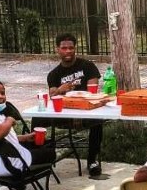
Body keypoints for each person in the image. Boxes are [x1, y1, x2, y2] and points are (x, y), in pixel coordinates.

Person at [40, 33, 106, 179]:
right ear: (58, 49)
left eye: (71, 48)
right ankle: (39, 157)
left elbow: (92, 93)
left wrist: (79, 113)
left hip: (86, 112)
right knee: (37, 119)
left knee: (97, 122)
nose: (68, 51)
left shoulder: (88, 67)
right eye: (64, 48)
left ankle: (92, 161)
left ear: (75, 49)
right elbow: (52, 96)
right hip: (65, 115)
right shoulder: (53, 74)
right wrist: (60, 90)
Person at [0, 79, 56, 177]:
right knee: (51, 153)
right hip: (8, 165)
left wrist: (25, 137)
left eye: (2, 93)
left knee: (45, 144)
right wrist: (9, 119)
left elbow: (3, 141)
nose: (0, 96)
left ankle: (20, 186)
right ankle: (21, 185)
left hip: (6, 158)